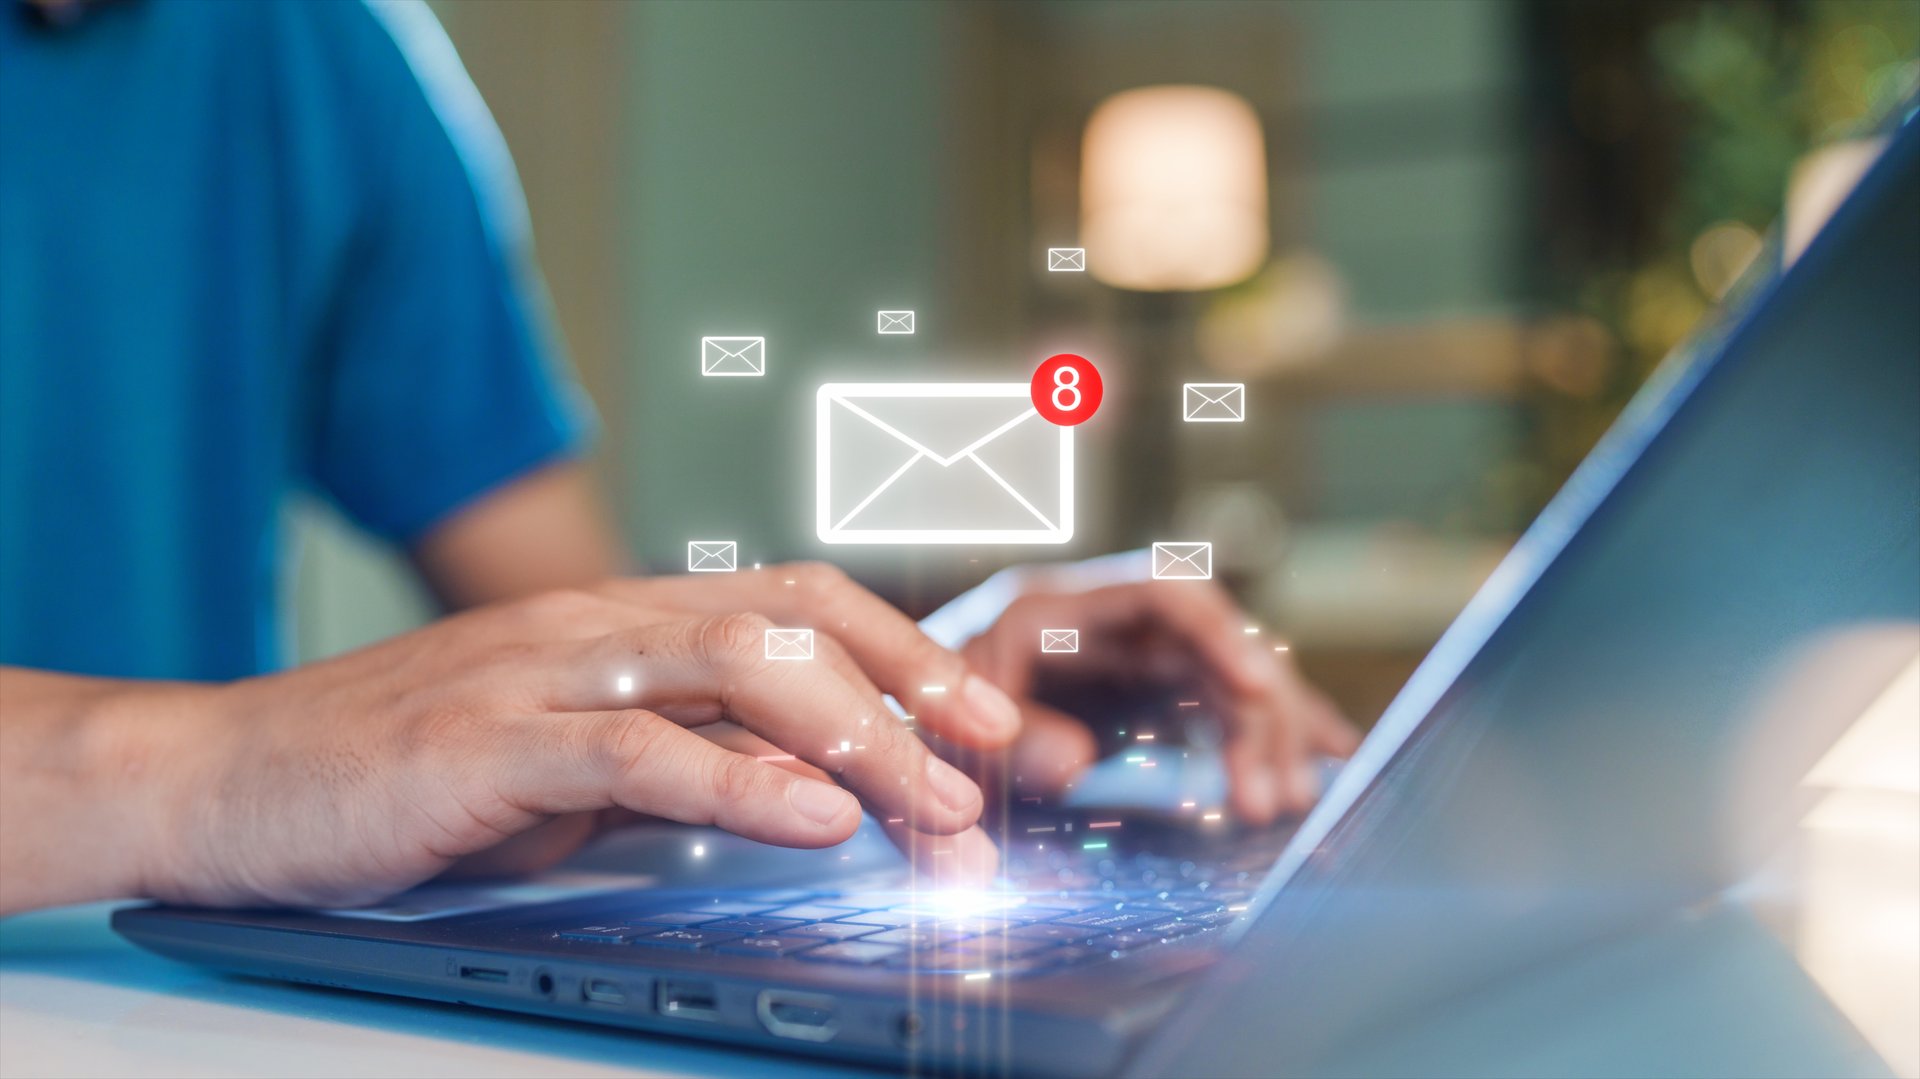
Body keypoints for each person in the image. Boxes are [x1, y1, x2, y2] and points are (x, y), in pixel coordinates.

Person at [0, 0, 1355, 918]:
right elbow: (243, 761)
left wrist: (917, 686)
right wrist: (204, 766)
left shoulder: (315, 42)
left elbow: (584, 650)